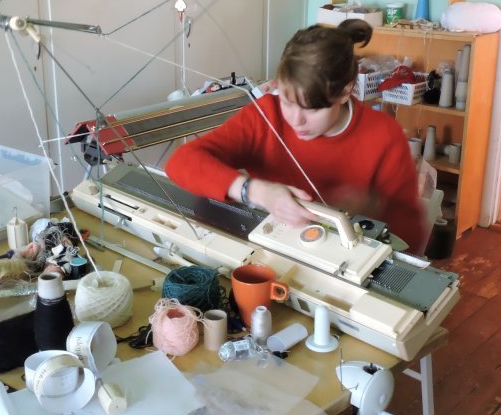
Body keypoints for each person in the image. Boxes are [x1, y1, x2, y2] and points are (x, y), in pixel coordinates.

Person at [165, 20, 427, 252]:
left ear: (346, 91)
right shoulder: (266, 115)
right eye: (288, 102)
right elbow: (182, 163)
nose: (295, 120)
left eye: (312, 109)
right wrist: (256, 191)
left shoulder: (384, 136)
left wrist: (372, 209)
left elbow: (410, 238)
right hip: (270, 251)